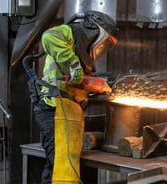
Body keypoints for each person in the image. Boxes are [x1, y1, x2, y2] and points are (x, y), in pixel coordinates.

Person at [33, 10, 118, 184]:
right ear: (94, 31)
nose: (103, 48)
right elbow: (48, 36)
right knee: (60, 167)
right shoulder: (71, 33)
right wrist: (73, 64)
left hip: (67, 112)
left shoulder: (82, 55)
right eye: (105, 43)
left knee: (61, 166)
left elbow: (78, 84)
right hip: (56, 109)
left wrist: (97, 86)